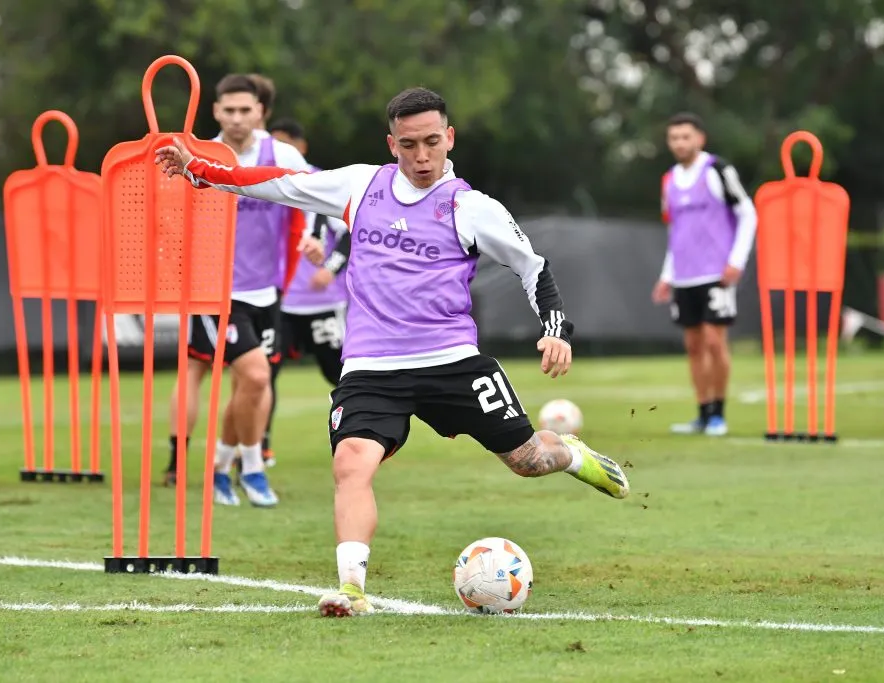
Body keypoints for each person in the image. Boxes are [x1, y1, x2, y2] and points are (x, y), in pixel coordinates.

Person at [155, 87, 630, 618]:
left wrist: (556, 329)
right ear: (392, 144)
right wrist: (198, 168)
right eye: (409, 145)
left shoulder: (471, 207)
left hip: (450, 360)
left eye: (432, 142)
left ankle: (570, 453)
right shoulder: (361, 185)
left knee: (527, 461)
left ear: (449, 138)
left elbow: (533, 267)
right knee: (351, 463)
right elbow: (276, 184)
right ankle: (352, 589)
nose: (422, 156)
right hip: (371, 365)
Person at [164, 73, 321, 509]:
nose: (236, 118)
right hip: (214, 293)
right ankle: (250, 467)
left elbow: (312, 199)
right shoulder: (196, 155)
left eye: (245, 110)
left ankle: (223, 466)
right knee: (253, 375)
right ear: (216, 111)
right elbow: (170, 218)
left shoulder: (282, 154)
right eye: (228, 110)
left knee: (250, 386)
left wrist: (311, 237)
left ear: (261, 113)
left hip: (266, 290)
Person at [651, 112, 757, 437]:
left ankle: (718, 414)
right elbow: (675, 232)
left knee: (714, 341)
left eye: (686, 136)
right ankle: (701, 412)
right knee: (694, 346)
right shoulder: (669, 180)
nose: (680, 143)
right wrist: (667, 274)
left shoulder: (718, 171)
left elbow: (748, 213)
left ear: (700, 138)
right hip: (684, 276)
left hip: (717, 273)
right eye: (674, 138)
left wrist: (736, 260)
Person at [258, 118, 352, 467]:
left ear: (301, 147)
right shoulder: (266, 182)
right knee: (264, 374)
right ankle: (260, 445)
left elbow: (348, 232)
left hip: (322, 303)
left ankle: (359, 435)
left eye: (285, 145)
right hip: (278, 300)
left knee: (342, 374)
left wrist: (330, 269)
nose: (278, 153)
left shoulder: (321, 183)